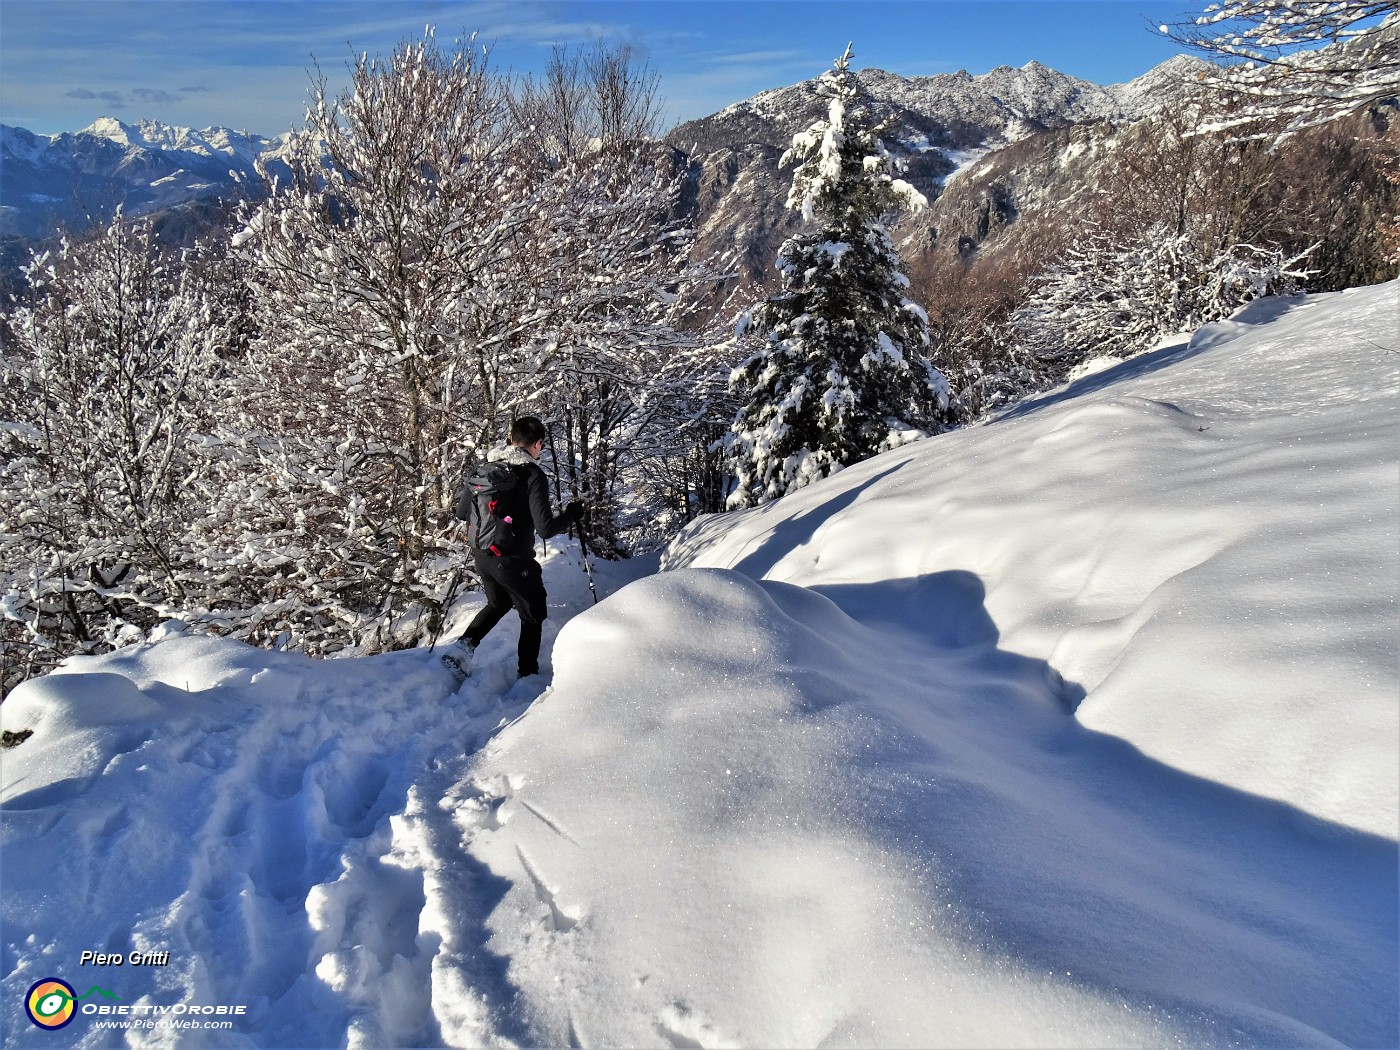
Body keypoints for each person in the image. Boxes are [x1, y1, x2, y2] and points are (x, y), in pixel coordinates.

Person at [442, 416, 582, 682]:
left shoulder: (485, 468)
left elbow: (461, 513)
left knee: (499, 602)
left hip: (483, 555)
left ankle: (461, 651)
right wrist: (573, 515)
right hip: (513, 560)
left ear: (510, 440)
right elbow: (546, 529)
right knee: (534, 613)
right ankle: (527, 675)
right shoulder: (532, 474)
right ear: (537, 444)